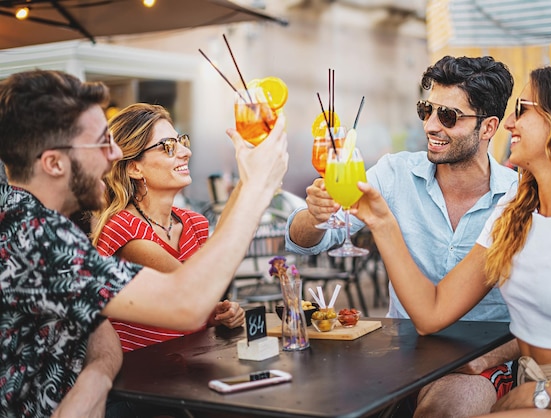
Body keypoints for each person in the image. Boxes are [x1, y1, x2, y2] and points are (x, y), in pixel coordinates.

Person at [0, 69, 288, 417]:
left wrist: (97, 377)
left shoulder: (44, 222)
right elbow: (187, 303)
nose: (115, 154)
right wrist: (255, 186)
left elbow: (99, 327)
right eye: (102, 143)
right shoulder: (32, 234)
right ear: (54, 163)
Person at [352, 61, 551, 416]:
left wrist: (542, 396)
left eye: (523, 111)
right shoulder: (514, 212)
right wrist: (382, 223)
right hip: (533, 383)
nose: (509, 123)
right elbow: (431, 313)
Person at [285, 55, 519, 417]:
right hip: (399, 352)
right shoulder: (394, 172)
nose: (430, 125)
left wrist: (494, 356)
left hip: (477, 360)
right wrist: (315, 215)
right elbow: (311, 240)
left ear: (488, 127)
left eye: (448, 116)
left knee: (447, 410)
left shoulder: (517, 198)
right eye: (426, 109)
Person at [92, 103, 244, 354]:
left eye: (181, 141)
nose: (186, 152)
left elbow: (197, 305)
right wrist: (249, 181)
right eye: (168, 146)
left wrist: (219, 314)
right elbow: (195, 289)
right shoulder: (122, 228)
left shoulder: (194, 223)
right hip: (145, 375)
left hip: (193, 361)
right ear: (134, 167)